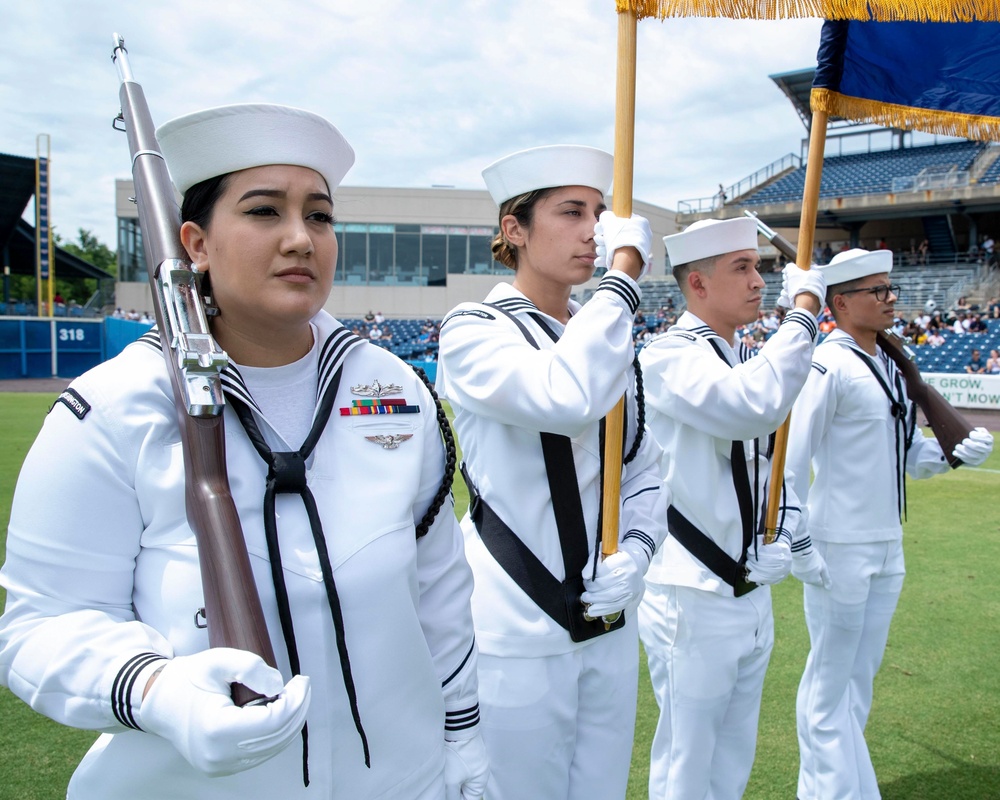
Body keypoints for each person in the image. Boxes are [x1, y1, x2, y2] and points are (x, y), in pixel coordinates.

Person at [0, 104, 488, 800]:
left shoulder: (397, 391)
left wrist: (462, 735)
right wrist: (156, 690)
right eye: (264, 212)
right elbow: (41, 625)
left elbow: (440, 593)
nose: (301, 239)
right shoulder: (112, 408)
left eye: (319, 216)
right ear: (194, 243)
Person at [436, 144, 668, 800]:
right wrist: (624, 274)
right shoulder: (473, 328)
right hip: (515, 628)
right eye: (571, 212)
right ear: (514, 230)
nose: (594, 230)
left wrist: (641, 550)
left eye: (599, 213)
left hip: (609, 625)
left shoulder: (606, 335)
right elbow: (566, 397)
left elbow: (645, 469)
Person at [785, 247, 994, 800]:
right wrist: (798, 539)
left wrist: (953, 453)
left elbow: (902, 457)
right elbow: (790, 460)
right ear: (841, 302)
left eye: (890, 289)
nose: (890, 299)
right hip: (838, 545)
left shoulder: (889, 365)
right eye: (877, 291)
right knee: (828, 688)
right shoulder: (827, 365)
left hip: (885, 545)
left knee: (857, 685)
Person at [636, 217, 827, 800]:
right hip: (692, 590)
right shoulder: (669, 356)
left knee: (732, 758)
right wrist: (804, 311)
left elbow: (777, 464)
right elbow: (753, 408)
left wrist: (784, 532)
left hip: (750, 585)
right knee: (687, 766)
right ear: (697, 285)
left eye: (758, 268)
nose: (757, 281)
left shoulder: (742, 353)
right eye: (741, 268)